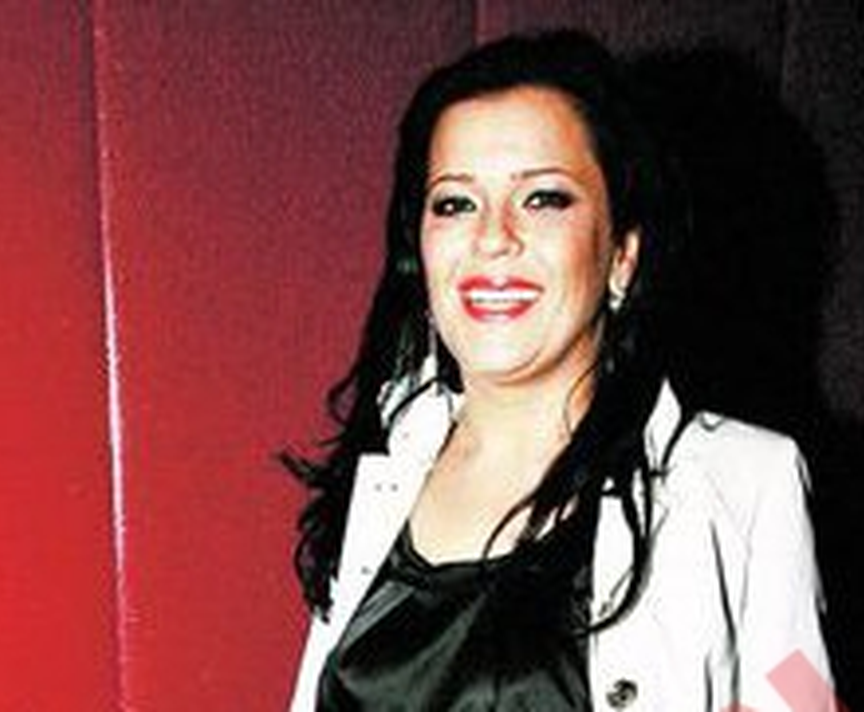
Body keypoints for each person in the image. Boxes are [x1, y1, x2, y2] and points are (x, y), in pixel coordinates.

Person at [285, 30, 833, 711]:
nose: (493, 237)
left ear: (623, 254)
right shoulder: (381, 470)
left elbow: (804, 694)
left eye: (543, 198)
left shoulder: (745, 481)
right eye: (455, 203)